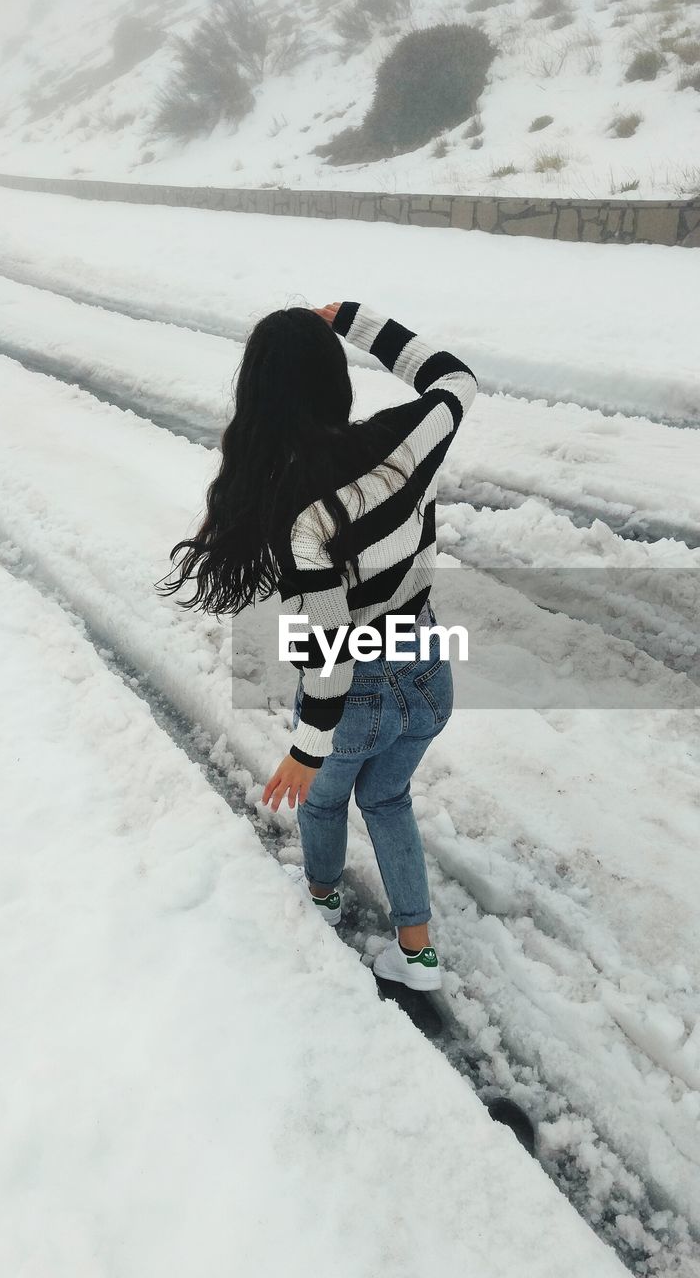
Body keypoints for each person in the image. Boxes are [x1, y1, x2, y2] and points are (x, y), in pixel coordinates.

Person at [158, 299, 478, 991]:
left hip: (357, 691)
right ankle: (416, 952)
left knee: (327, 799)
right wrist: (358, 322)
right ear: (336, 378)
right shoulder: (406, 439)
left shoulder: (301, 512)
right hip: (428, 669)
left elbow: (329, 649)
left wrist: (308, 749)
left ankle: (322, 898)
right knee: (388, 798)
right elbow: (455, 380)